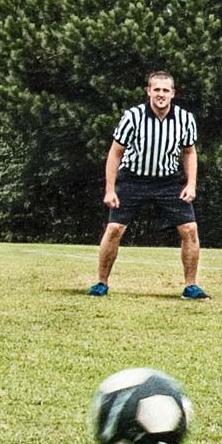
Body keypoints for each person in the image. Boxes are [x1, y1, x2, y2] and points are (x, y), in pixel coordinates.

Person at [91, 70, 206, 299]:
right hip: (133, 178)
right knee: (114, 229)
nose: (161, 94)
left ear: (173, 93)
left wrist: (191, 184)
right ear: (148, 92)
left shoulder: (185, 119)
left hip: (168, 181)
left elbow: (189, 152)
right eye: (156, 90)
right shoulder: (132, 116)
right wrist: (110, 189)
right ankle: (101, 283)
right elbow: (115, 153)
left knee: (190, 229)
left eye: (165, 90)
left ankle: (191, 287)